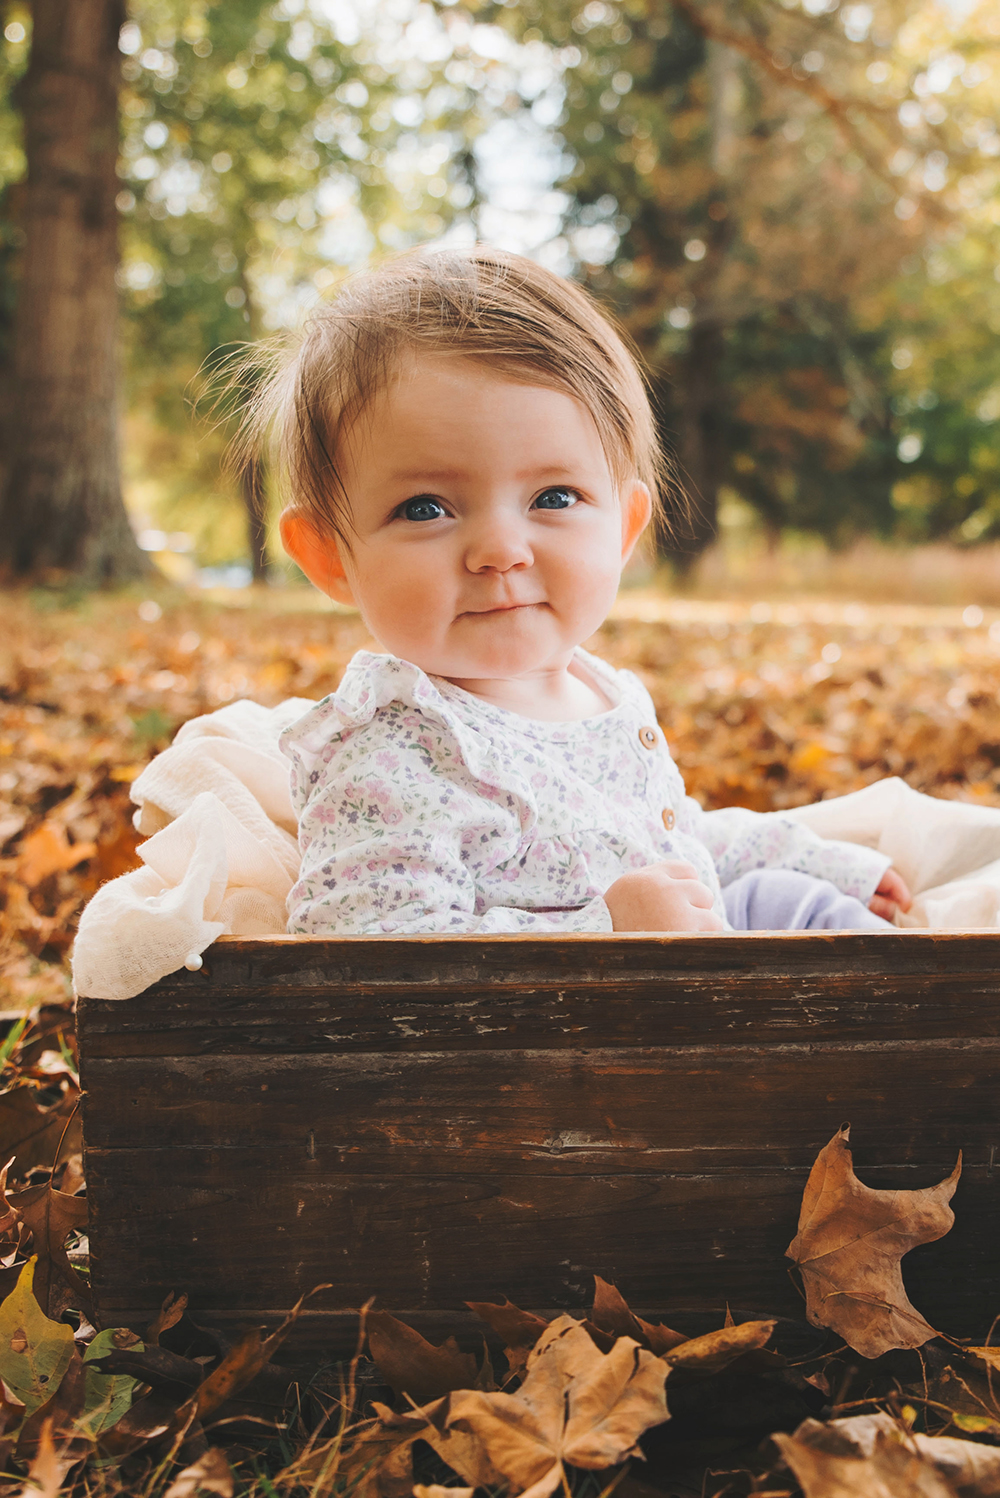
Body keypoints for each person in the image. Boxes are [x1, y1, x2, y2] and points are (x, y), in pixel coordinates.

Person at [242, 246, 911, 936]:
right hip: (558, 1029)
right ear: (329, 558)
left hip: (686, 965)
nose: (501, 549)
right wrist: (606, 932)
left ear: (623, 528)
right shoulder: (396, 754)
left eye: (553, 496)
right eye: (424, 509)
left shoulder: (601, 693)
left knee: (797, 906)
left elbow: (668, 836)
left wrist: (820, 862)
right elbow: (375, 951)